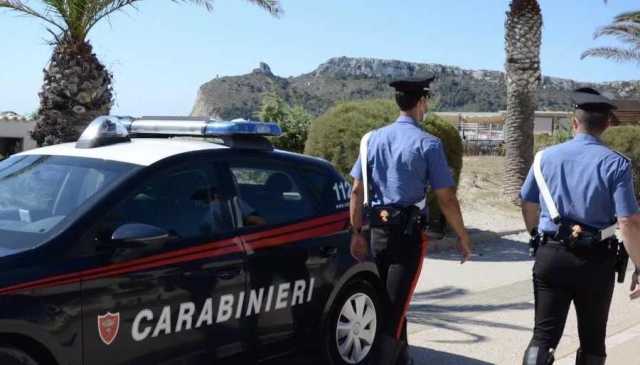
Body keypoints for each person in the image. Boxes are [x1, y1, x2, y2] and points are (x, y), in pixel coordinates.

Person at [349, 77, 472, 365]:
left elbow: (356, 190)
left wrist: (356, 232)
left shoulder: (371, 139)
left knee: (386, 301)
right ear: (422, 103)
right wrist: (462, 236)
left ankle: (402, 357)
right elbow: (446, 199)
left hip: (374, 232)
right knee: (395, 308)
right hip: (407, 236)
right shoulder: (429, 144)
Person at [520, 88, 640, 365]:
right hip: (597, 260)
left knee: (543, 336)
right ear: (608, 124)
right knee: (593, 339)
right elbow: (628, 221)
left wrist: (535, 236)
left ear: (574, 123)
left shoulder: (543, 158)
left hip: (551, 254)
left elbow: (527, 204)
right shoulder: (616, 164)